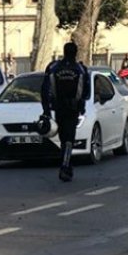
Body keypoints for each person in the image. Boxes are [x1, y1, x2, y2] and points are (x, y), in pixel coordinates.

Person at [41, 42, 90, 182]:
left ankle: (66, 164)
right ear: (75, 53)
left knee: (64, 137)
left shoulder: (53, 68)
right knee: (69, 138)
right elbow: (85, 91)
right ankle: (65, 165)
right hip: (73, 108)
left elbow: (45, 90)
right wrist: (82, 105)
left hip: (59, 107)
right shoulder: (80, 69)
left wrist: (47, 110)